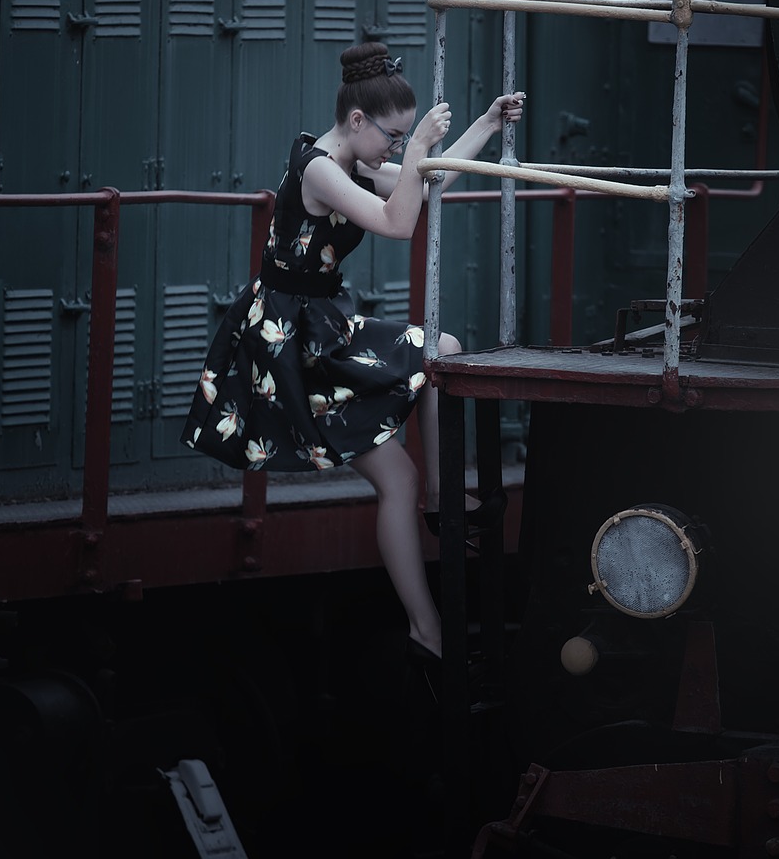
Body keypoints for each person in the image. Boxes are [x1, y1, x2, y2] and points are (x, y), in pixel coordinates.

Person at [181, 41, 525, 666]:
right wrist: (417, 149)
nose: (396, 148)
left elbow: (430, 180)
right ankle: (427, 625)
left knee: (437, 358)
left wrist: (485, 123)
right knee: (399, 466)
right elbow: (399, 224)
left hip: (322, 323)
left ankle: (440, 506)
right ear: (358, 121)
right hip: (293, 341)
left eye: (402, 140)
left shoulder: (355, 164)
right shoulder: (319, 168)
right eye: (391, 136)